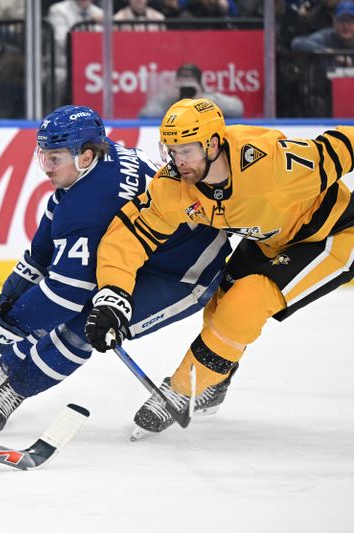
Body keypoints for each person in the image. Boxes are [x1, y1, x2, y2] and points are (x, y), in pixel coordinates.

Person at [84, 97, 354, 440]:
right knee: (219, 306)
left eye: (186, 150)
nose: (178, 161)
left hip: (334, 233)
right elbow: (129, 236)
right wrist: (113, 293)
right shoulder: (174, 186)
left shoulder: (271, 163)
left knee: (247, 302)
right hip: (269, 238)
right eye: (171, 150)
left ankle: (182, 390)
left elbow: (342, 147)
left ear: (212, 144)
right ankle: (215, 381)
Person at [0, 105, 231, 432]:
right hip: (138, 254)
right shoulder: (96, 166)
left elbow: (64, 296)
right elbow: (44, 249)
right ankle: (4, 374)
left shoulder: (90, 205)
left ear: (85, 157)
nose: (46, 168)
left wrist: (8, 325)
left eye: (55, 159)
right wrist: (10, 300)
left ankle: (14, 390)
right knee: (55, 304)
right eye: (43, 156)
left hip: (183, 272)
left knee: (83, 326)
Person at [47, 0, 104, 105]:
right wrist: (88, 26)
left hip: (92, 67)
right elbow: (62, 41)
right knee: (60, 79)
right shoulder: (58, 11)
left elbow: (105, 44)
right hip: (64, 67)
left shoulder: (100, 13)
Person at [140, 63, 244, 119]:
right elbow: (145, 115)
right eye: (182, 81)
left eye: (189, 83)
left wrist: (202, 99)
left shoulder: (208, 97)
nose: (187, 88)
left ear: (199, 85)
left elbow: (237, 109)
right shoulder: (169, 98)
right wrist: (171, 97)